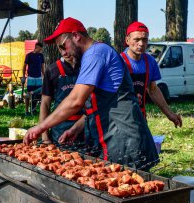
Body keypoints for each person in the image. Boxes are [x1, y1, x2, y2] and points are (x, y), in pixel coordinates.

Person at [24, 17, 159, 170]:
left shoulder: (96, 53)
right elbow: (98, 105)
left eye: (63, 45)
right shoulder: (92, 56)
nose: (64, 52)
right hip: (112, 138)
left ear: (76, 36)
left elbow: (75, 100)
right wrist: (75, 128)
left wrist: (40, 128)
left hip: (124, 140)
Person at [121, 21, 182, 127]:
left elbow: (153, 89)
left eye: (144, 40)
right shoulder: (119, 62)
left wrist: (170, 114)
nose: (141, 44)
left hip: (141, 117)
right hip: (121, 120)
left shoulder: (150, 62)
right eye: (136, 39)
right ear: (127, 40)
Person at [40, 54, 85, 145]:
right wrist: (44, 136)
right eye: (61, 49)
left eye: (66, 47)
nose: (65, 52)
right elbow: (45, 103)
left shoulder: (86, 67)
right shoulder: (52, 70)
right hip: (59, 129)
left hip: (84, 126)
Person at [22, 42, 45, 116]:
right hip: (31, 78)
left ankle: (33, 109)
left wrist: (44, 76)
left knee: (37, 94)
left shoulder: (41, 56)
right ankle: (26, 111)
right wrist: (23, 76)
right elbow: (24, 66)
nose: (40, 50)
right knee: (29, 94)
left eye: (41, 49)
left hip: (39, 78)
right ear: (36, 47)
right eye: (39, 49)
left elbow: (42, 66)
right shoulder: (29, 55)